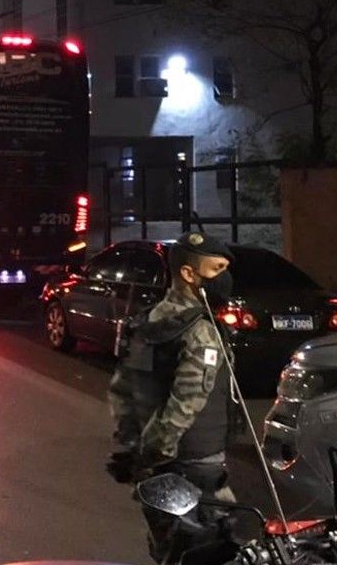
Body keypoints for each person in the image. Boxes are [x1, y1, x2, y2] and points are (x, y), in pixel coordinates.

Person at [107, 232, 237, 565]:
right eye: (217, 269)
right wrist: (155, 452)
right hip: (196, 462)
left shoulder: (147, 322)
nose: (225, 278)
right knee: (208, 549)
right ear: (189, 273)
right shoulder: (200, 330)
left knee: (168, 547)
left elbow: (122, 392)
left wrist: (131, 451)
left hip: (154, 467)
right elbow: (186, 402)